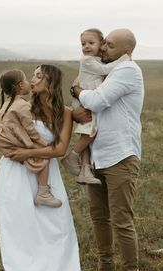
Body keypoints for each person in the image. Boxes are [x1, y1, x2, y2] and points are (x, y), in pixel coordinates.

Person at [0, 64, 83, 271]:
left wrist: (25, 151)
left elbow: (61, 149)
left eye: (39, 76)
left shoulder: (63, 113)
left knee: (56, 228)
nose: (33, 80)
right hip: (16, 174)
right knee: (22, 228)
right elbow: (4, 136)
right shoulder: (22, 107)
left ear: (51, 82)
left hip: (47, 175)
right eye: (32, 75)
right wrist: (18, 152)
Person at [71, 28, 144, 271]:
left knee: (122, 221)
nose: (102, 48)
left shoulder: (127, 71)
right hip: (99, 156)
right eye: (104, 43)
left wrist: (77, 90)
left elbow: (97, 101)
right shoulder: (107, 70)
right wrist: (77, 91)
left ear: (126, 51)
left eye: (109, 45)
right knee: (100, 217)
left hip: (121, 156)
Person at [61, 28, 129, 185]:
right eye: (83, 43)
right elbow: (105, 70)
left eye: (91, 43)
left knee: (89, 135)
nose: (86, 46)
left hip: (87, 97)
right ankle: (72, 156)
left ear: (101, 44)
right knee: (90, 133)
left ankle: (85, 170)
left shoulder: (96, 59)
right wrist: (124, 59)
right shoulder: (87, 60)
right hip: (86, 100)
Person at [0, 69, 62, 208]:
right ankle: (43, 193)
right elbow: (29, 128)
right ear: (20, 86)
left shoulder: (7, 103)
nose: (30, 81)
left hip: (11, 141)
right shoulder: (23, 105)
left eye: (38, 76)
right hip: (19, 140)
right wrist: (42, 143)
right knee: (44, 154)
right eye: (27, 79)